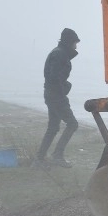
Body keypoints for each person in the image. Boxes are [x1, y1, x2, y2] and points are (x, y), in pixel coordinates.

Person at [35, 28, 81, 168]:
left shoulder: (59, 53)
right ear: (69, 42)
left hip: (52, 94)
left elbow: (53, 77)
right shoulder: (59, 54)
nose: (76, 46)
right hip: (56, 96)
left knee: (53, 127)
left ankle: (38, 160)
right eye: (75, 42)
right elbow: (53, 77)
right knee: (72, 124)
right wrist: (64, 88)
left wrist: (64, 85)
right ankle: (57, 155)